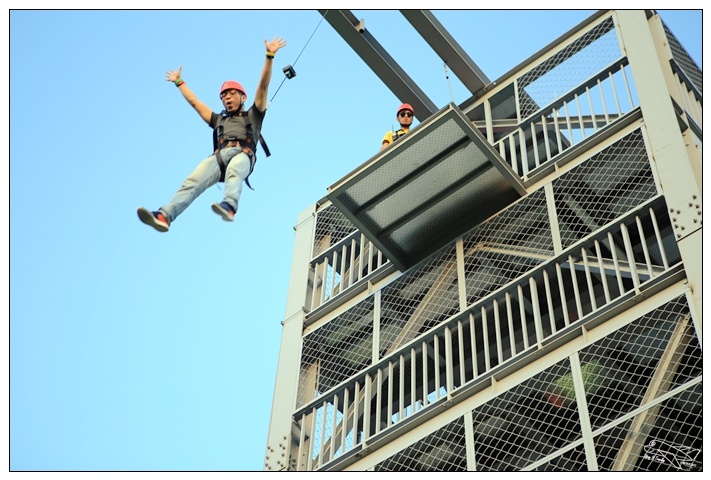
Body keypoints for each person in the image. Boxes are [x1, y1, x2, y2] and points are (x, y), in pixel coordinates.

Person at [137, 36, 287, 233]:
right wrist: (179, 82)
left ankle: (229, 206)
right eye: (224, 96)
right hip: (219, 157)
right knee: (192, 182)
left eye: (231, 93)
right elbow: (195, 103)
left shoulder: (254, 114)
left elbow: (263, 86)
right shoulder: (219, 120)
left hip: (243, 154)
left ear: (243, 96)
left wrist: (269, 56)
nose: (227, 98)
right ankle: (165, 215)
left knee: (235, 172)